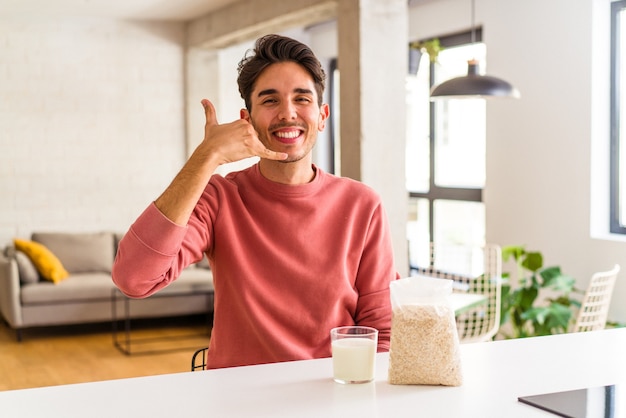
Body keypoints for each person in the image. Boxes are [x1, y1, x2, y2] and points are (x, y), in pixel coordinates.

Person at [112, 34, 399, 369]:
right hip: (237, 398)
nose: (287, 113)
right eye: (270, 101)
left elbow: (383, 333)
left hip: (330, 393)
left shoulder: (362, 205)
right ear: (246, 120)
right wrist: (207, 156)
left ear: (322, 115)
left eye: (301, 99)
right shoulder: (220, 198)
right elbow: (133, 278)